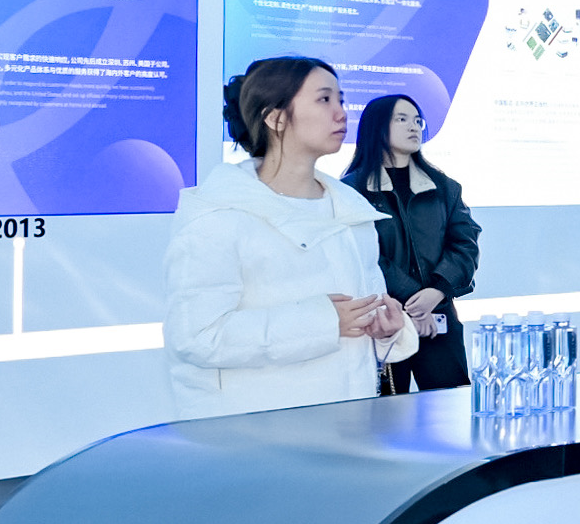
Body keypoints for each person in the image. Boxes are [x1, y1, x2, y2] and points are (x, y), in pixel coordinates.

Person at [166, 58, 414, 417]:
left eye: (341, 100)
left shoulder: (350, 211)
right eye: (324, 99)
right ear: (275, 118)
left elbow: (358, 316)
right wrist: (323, 322)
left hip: (348, 423)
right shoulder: (219, 215)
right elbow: (197, 336)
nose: (341, 113)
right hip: (258, 432)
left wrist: (383, 328)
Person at [342, 94, 482, 393]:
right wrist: (413, 303)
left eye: (418, 120)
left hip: (439, 316)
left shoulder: (444, 187)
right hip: (382, 320)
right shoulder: (352, 190)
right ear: (377, 127)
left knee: (450, 408)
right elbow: (363, 254)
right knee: (386, 413)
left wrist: (437, 291)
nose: (414, 126)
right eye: (402, 119)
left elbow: (466, 244)